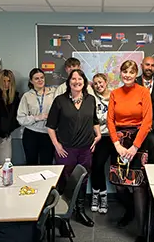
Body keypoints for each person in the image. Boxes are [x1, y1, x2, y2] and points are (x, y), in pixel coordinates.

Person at [47, 69, 101, 228]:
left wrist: (97, 135)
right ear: (69, 82)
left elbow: (94, 120)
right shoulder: (60, 101)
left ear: (84, 82)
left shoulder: (90, 99)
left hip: (85, 149)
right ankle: (62, 216)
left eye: (80, 79)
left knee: (83, 180)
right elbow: (50, 127)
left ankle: (79, 211)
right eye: (73, 79)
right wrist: (57, 145)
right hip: (66, 149)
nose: (77, 81)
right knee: (64, 180)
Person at [107, 60, 152, 242]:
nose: (127, 75)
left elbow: (147, 121)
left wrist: (135, 147)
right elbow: (110, 121)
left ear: (136, 74)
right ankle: (131, 210)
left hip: (138, 140)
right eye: (125, 71)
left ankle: (141, 232)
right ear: (121, 73)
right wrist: (117, 144)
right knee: (119, 184)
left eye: (131, 72)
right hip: (119, 140)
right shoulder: (114, 93)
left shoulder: (143, 92)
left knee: (139, 186)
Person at [17, 68, 55, 165]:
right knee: (31, 164)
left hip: (48, 134)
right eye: (36, 78)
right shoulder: (27, 96)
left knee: (47, 164)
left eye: (42, 77)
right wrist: (37, 118)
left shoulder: (53, 93)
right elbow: (21, 118)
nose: (40, 80)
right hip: (31, 134)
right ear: (31, 81)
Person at [90, 73, 114, 214]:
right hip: (100, 137)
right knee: (97, 166)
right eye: (96, 84)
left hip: (114, 137)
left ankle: (105, 198)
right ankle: (98, 195)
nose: (99, 86)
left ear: (106, 82)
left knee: (116, 169)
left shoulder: (115, 96)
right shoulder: (92, 97)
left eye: (101, 82)